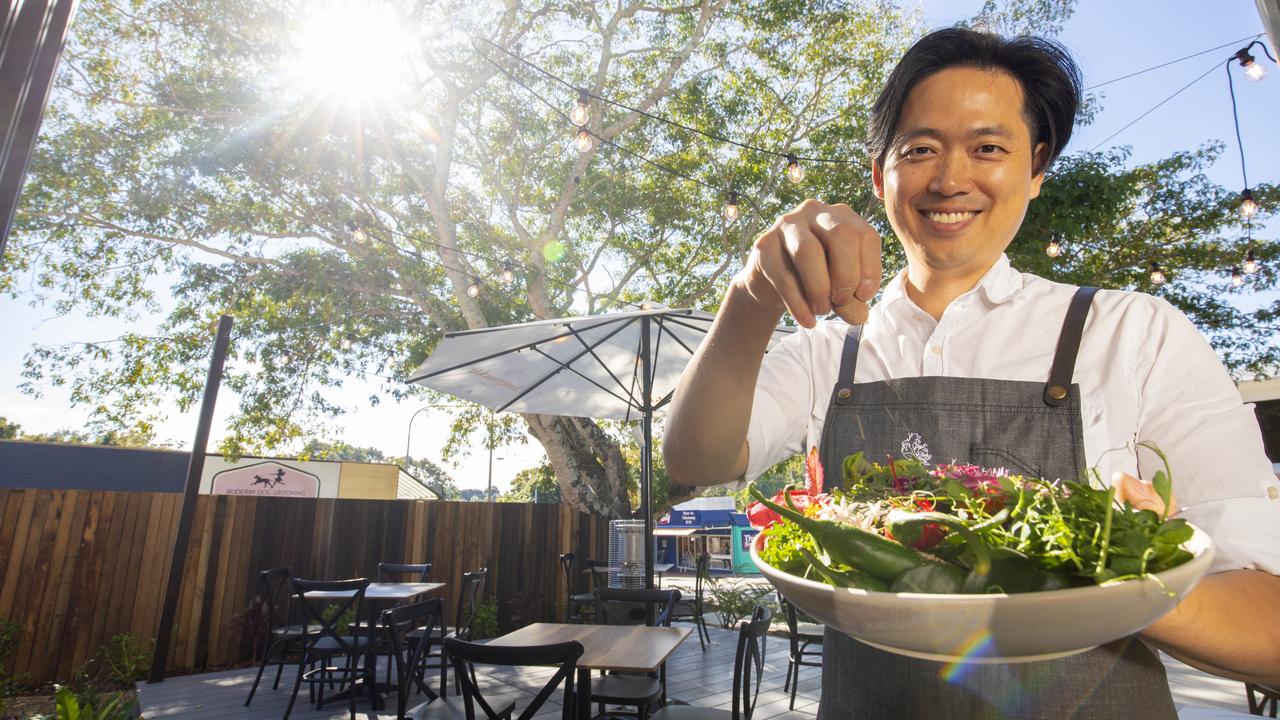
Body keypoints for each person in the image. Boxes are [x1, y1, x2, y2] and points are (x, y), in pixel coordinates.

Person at [664, 27, 1280, 719]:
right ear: (880, 174)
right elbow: (694, 457)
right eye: (919, 149)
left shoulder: (1134, 332)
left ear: (1037, 168)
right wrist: (751, 296)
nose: (950, 179)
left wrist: (1112, 572)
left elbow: (1270, 628)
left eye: (988, 147)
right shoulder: (825, 351)